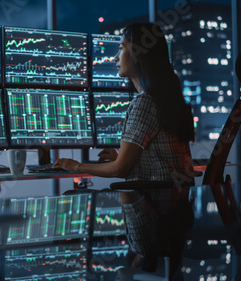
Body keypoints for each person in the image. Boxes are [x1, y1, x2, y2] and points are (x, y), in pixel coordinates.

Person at [52, 23, 195, 277]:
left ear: (139, 53)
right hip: (172, 217)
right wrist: (124, 157)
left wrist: (77, 166)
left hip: (151, 222)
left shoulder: (143, 103)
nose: (116, 57)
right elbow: (157, 158)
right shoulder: (168, 100)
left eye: (121, 49)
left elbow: (120, 170)